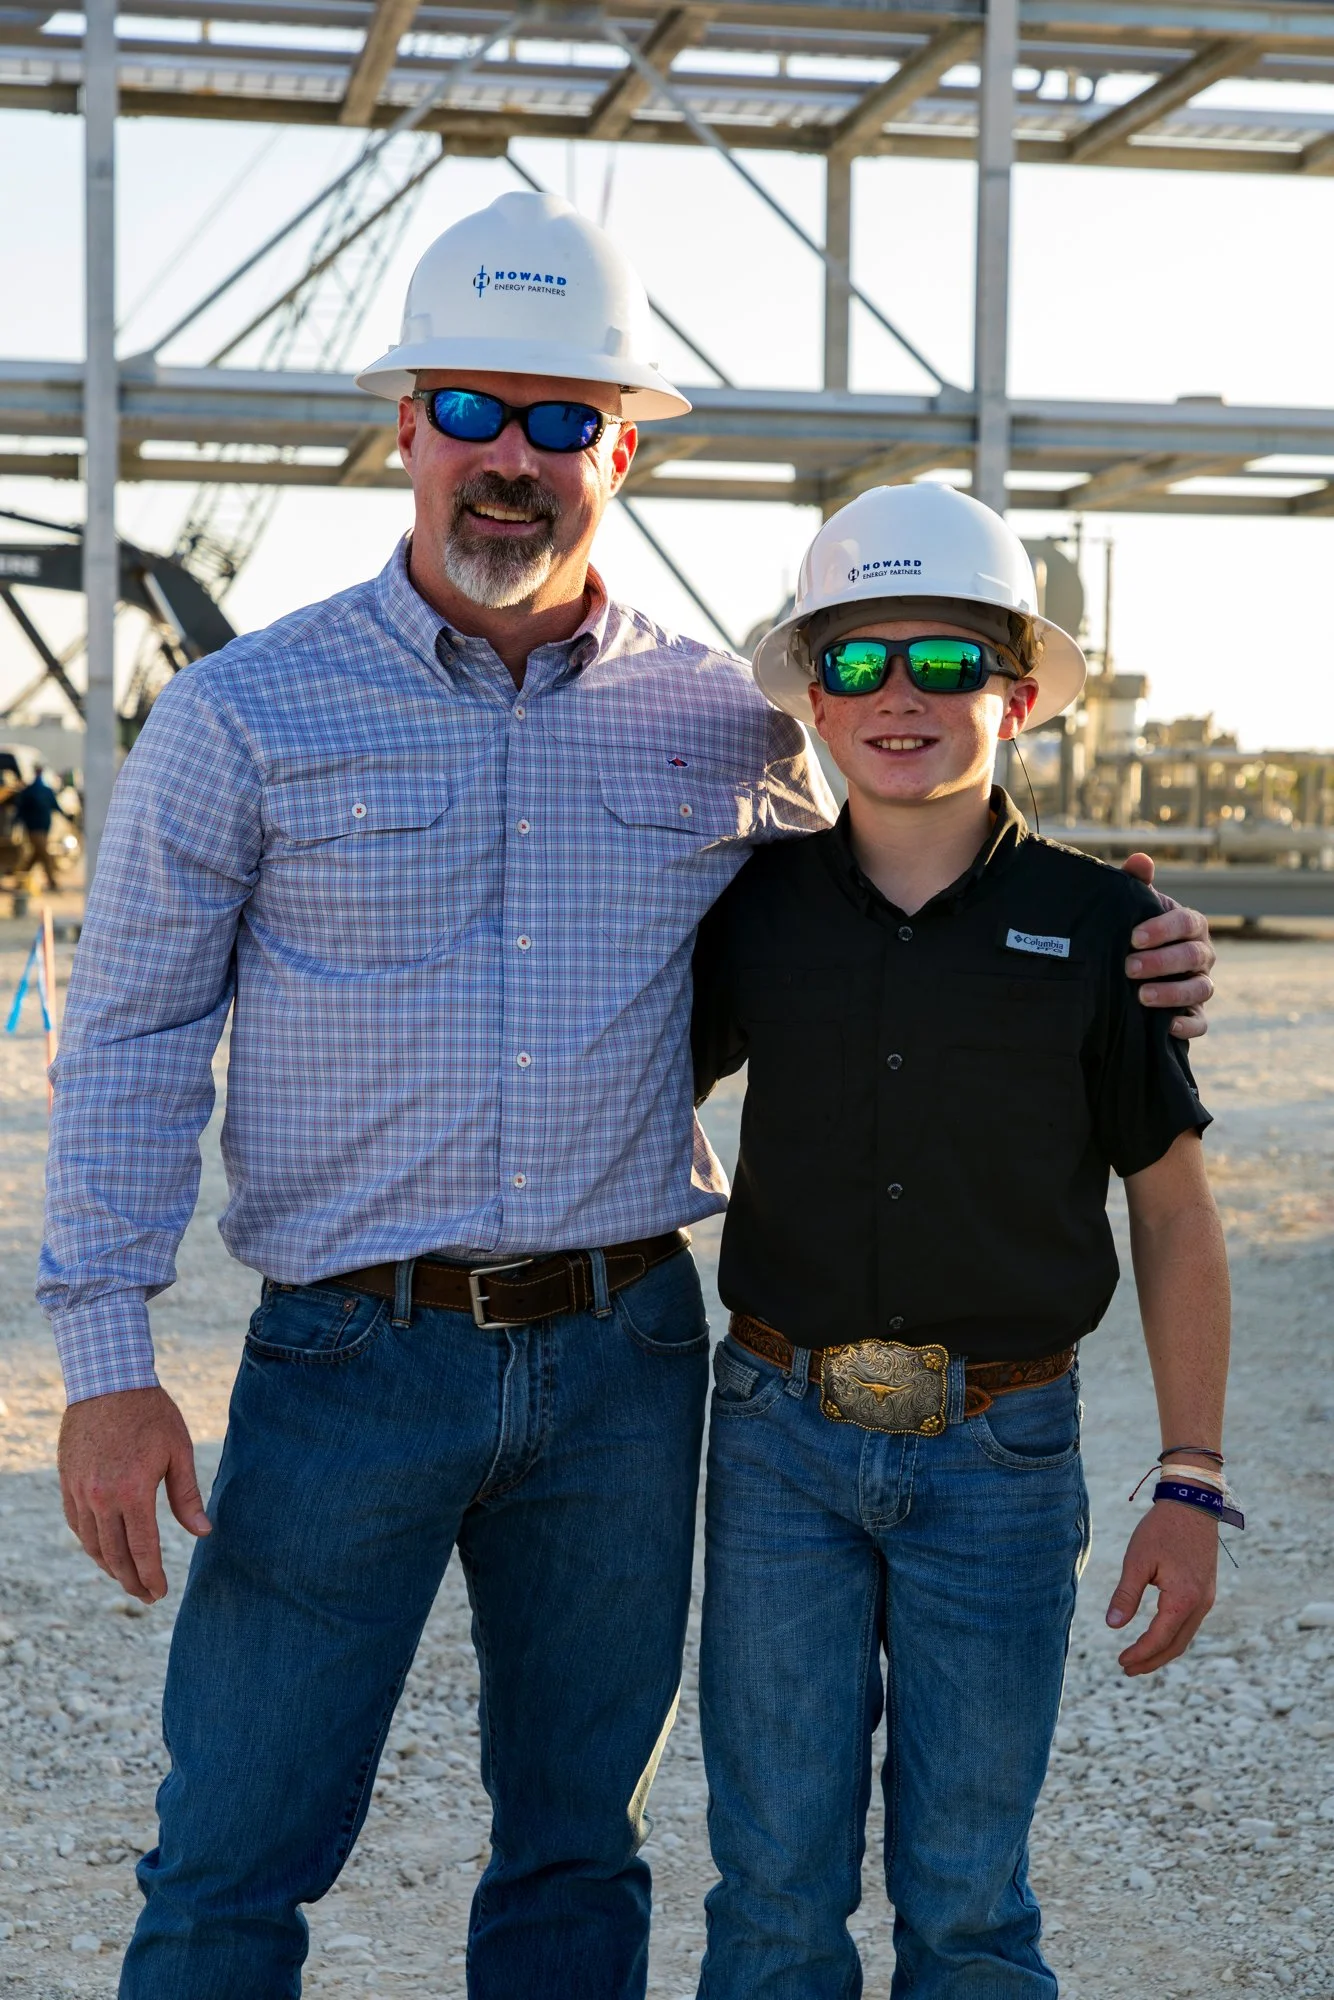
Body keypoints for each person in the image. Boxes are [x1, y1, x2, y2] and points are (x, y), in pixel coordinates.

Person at [39, 194, 1214, 2000]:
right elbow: (124, 1039)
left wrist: (1129, 941)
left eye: (564, 419)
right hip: (344, 1365)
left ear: (625, 445)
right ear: (402, 426)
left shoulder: (717, 724)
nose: (512, 461)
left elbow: (905, 887)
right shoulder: (240, 716)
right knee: (228, 1860)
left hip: (624, 1367)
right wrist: (108, 1367)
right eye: (472, 413)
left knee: (580, 1844)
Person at [689, 482, 1233, 2000]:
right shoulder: (748, 911)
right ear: (809, 696)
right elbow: (605, 1083)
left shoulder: (1106, 930)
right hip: (776, 1442)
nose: (901, 697)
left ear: (1016, 690)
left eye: (945, 662)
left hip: (999, 1458)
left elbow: (1176, 1214)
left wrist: (1189, 1476)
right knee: (772, 1898)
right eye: (858, 663)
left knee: (968, 1902)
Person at [13, 765, 65, 889]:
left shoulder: (37, 791)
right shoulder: (35, 791)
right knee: (45, 855)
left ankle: (20, 880)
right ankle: (52, 882)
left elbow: (54, 806)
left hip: (41, 828)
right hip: (35, 828)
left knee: (36, 854)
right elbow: (21, 810)